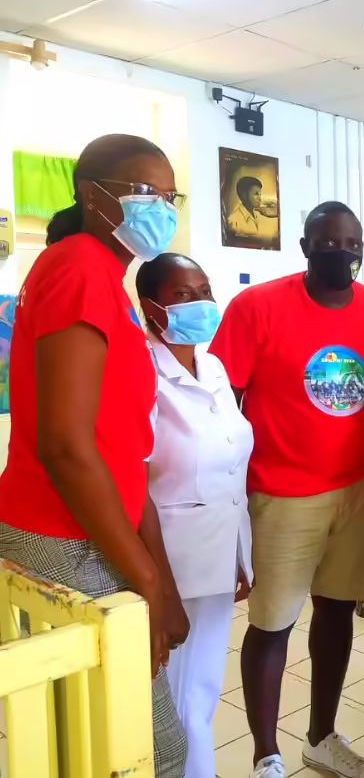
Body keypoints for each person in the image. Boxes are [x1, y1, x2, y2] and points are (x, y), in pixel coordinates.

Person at [0, 134, 187, 777]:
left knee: (97, 740)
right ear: (90, 195)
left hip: (94, 527)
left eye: (168, 196)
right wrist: (149, 581)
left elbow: (119, 444)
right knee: (138, 747)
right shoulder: (79, 266)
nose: (159, 208)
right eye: (143, 192)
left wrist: (152, 563)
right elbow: (65, 446)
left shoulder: (106, 276)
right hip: (67, 535)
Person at [210, 201, 364, 778]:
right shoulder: (256, 307)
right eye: (327, 242)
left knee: (337, 613)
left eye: (350, 242)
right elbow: (222, 400)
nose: (340, 251)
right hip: (282, 494)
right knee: (272, 624)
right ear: (304, 246)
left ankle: (321, 737)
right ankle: (266, 755)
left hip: (358, 487)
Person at [137, 253, 254, 778]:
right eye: (184, 294)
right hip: (170, 559)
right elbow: (133, 474)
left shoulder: (212, 366)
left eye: (205, 289)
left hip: (217, 554)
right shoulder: (141, 370)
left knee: (201, 691)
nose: (201, 302)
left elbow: (230, 465)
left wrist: (239, 556)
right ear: (151, 307)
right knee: (179, 699)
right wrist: (157, 585)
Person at [227, 176, 277, 240]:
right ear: (244, 195)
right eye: (256, 194)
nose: (260, 198)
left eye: (260, 194)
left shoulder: (257, 214)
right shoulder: (233, 221)